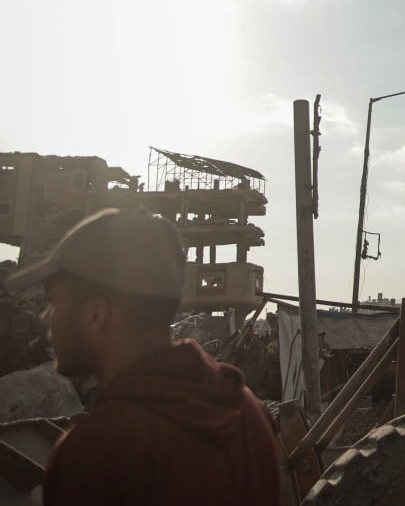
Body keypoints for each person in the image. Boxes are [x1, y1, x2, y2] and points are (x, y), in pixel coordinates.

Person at [5, 208, 280, 506]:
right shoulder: (250, 416)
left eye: (57, 302)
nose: (45, 318)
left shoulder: (93, 453)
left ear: (96, 314)